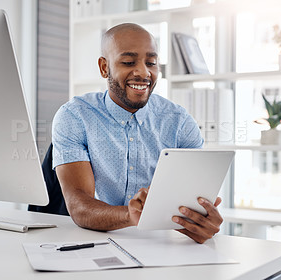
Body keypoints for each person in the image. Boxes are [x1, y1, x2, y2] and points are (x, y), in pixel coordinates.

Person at [52, 23, 223, 243]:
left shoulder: (179, 122)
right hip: (92, 242)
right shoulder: (75, 116)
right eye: (128, 62)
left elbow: (193, 204)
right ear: (104, 68)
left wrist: (201, 223)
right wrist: (130, 215)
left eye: (151, 63)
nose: (143, 72)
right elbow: (79, 205)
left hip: (158, 245)